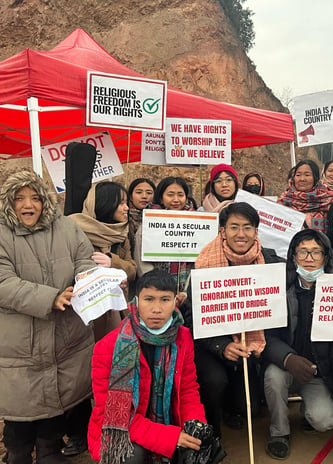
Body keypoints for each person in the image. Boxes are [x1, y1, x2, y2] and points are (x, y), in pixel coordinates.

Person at [0, 169, 95, 464]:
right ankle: (17, 455)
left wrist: (92, 282)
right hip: (18, 346)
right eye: (19, 198)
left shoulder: (67, 228)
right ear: (8, 202)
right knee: (20, 417)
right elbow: (3, 283)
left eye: (35, 197)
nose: (28, 204)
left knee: (58, 406)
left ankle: (50, 452)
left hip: (65, 338)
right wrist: (50, 297)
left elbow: (84, 260)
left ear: (45, 201)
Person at [88, 270, 213, 463]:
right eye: (149, 299)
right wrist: (170, 437)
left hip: (169, 423)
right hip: (119, 429)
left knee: (197, 449)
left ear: (175, 302)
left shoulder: (182, 337)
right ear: (136, 302)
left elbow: (188, 390)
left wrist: (195, 425)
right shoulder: (108, 347)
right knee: (131, 455)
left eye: (165, 300)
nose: (157, 308)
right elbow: (112, 414)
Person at [191, 202, 282, 438]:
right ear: (222, 231)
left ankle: (232, 406)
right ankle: (211, 433)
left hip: (249, 343)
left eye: (247, 227)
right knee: (215, 380)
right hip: (211, 344)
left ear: (256, 232)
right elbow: (192, 317)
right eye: (234, 227)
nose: (241, 234)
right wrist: (222, 346)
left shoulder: (269, 262)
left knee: (247, 409)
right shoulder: (204, 264)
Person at [262, 229, 333, 460]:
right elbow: (266, 335)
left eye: (316, 252)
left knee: (325, 421)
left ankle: (309, 413)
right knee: (273, 378)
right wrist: (287, 358)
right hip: (284, 365)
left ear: (326, 258)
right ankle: (279, 432)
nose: (309, 258)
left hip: (317, 373)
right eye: (303, 252)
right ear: (293, 256)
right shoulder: (278, 289)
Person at [70, 181, 137, 340]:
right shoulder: (74, 230)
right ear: (105, 203)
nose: (126, 208)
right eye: (121, 203)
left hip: (117, 310)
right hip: (87, 316)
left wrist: (112, 262)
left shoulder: (121, 233)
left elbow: (132, 269)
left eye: (126, 203)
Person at [134, 177, 195, 307]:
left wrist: (185, 293)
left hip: (188, 297)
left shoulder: (197, 222)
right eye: (170, 195)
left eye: (180, 195)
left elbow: (199, 261)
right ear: (161, 198)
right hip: (157, 297)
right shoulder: (149, 223)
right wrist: (162, 293)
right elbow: (143, 264)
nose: (176, 200)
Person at [278, 159, 333, 233]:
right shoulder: (283, 201)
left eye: (307, 175)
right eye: (298, 175)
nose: (302, 179)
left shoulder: (328, 201)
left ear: (316, 178)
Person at [127, 177, 155, 253]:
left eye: (149, 193)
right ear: (130, 197)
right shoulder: (123, 218)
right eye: (139, 192)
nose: (144, 196)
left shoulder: (159, 219)